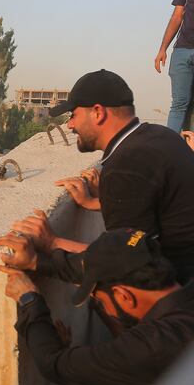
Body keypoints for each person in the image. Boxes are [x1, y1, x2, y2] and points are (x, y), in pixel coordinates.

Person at [23, 69, 194, 283]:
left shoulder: (126, 165)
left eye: (73, 115)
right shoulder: (160, 136)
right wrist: (96, 201)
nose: (70, 125)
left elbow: (128, 263)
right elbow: (154, 201)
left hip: (181, 292)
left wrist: (51, 244)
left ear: (97, 112)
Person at [0, 228, 194, 385]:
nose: (105, 309)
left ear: (123, 296)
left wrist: (29, 300)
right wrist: (36, 262)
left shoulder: (154, 346)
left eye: (99, 299)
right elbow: (109, 262)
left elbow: (54, 365)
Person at [155, 0, 194, 133]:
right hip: (182, 50)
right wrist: (163, 48)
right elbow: (177, 16)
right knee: (179, 104)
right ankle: (172, 150)